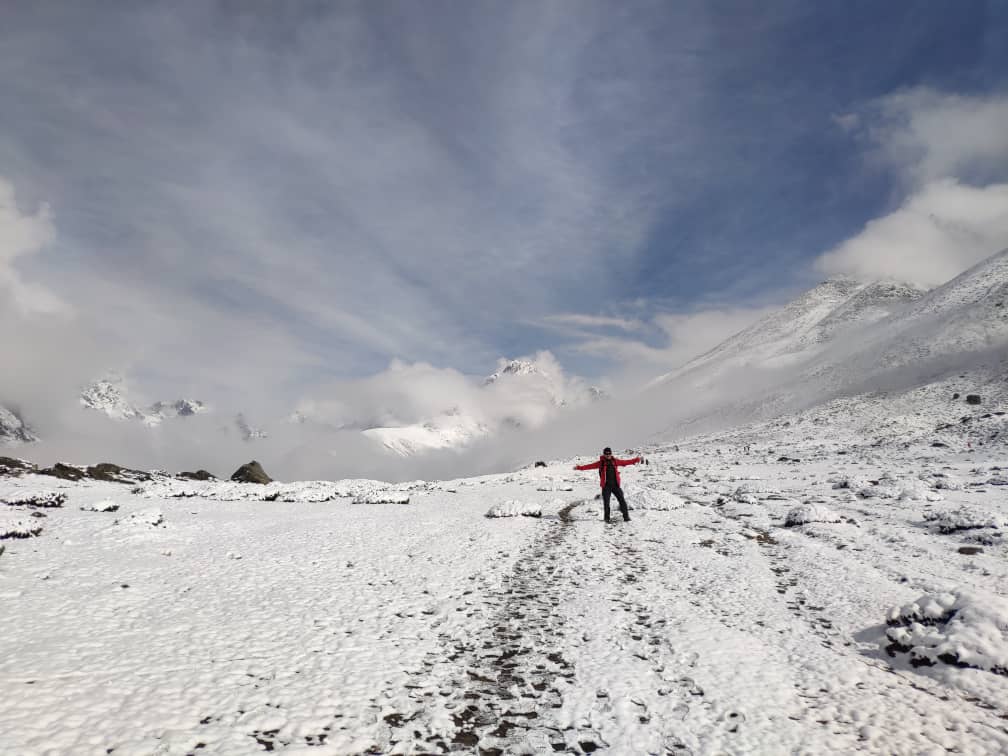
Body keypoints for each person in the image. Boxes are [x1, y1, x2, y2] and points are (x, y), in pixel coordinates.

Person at [573, 447, 643, 523]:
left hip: (616, 486)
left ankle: (626, 517)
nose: (608, 455)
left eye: (609, 453)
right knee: (606, 503)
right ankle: (607, 519)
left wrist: (636, 460)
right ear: (604, 454)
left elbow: (625, 462)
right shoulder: (601, 463)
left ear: (611, 453)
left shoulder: (615, 461)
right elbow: (589, 466)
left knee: (622, 501)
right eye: (606, 453)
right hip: (606, 487)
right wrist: (579, 467)